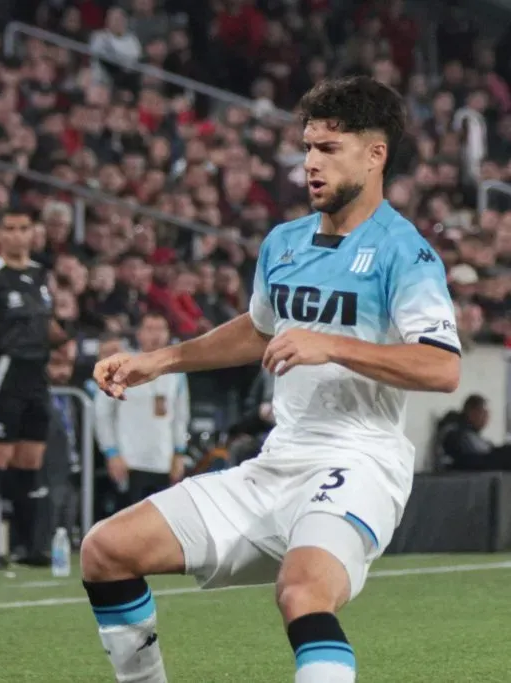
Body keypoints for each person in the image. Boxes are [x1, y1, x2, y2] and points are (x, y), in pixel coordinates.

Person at [83, 76, 461, 683]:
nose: (310, 163)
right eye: (308, 147)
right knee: (106, 549)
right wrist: (160, 359)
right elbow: (260, 329)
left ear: (375, 154)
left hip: (360, 463)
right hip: (276, 462)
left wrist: (330, 344)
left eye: (329, 149)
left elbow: (443, 367)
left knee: (302, 591)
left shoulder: (404, 253)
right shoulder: (284, 243)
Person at [0, 212, 70, 569]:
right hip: (5, 376)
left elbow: (47, 324)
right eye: (10, 228)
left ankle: (29, 546)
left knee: (30, 461)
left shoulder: (39, 275)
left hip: (37, 377)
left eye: (24, 228)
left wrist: (65, 342)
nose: (18, 235)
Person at [94, 312, 190, 508]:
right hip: (130, 459)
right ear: (139, 334)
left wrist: (179, 453)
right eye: (149, 329)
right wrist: (111, 452)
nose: (155, 335)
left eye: (160, 329)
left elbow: (181, 415)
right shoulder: (123, 365)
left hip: (163, 459)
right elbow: (103, 412)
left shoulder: (176, 371)